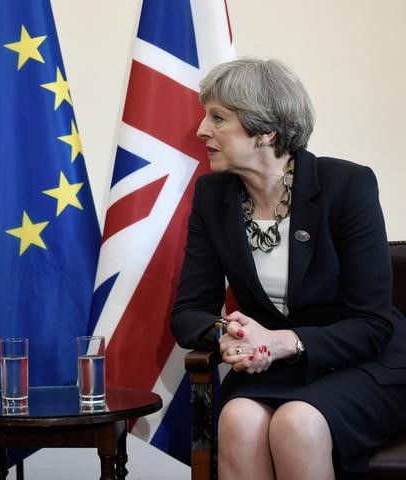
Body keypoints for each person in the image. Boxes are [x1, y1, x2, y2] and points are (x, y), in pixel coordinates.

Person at [171, 58, 406, 479]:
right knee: (238, 421)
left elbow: (373, 323)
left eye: (218, 118)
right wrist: (230, 334)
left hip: (363, 361)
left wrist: (285, 342)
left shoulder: (347, 186)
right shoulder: (212, 195)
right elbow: (189, 312)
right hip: (274, 366)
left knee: (297, 424)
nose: (201, 130)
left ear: (266, 131)